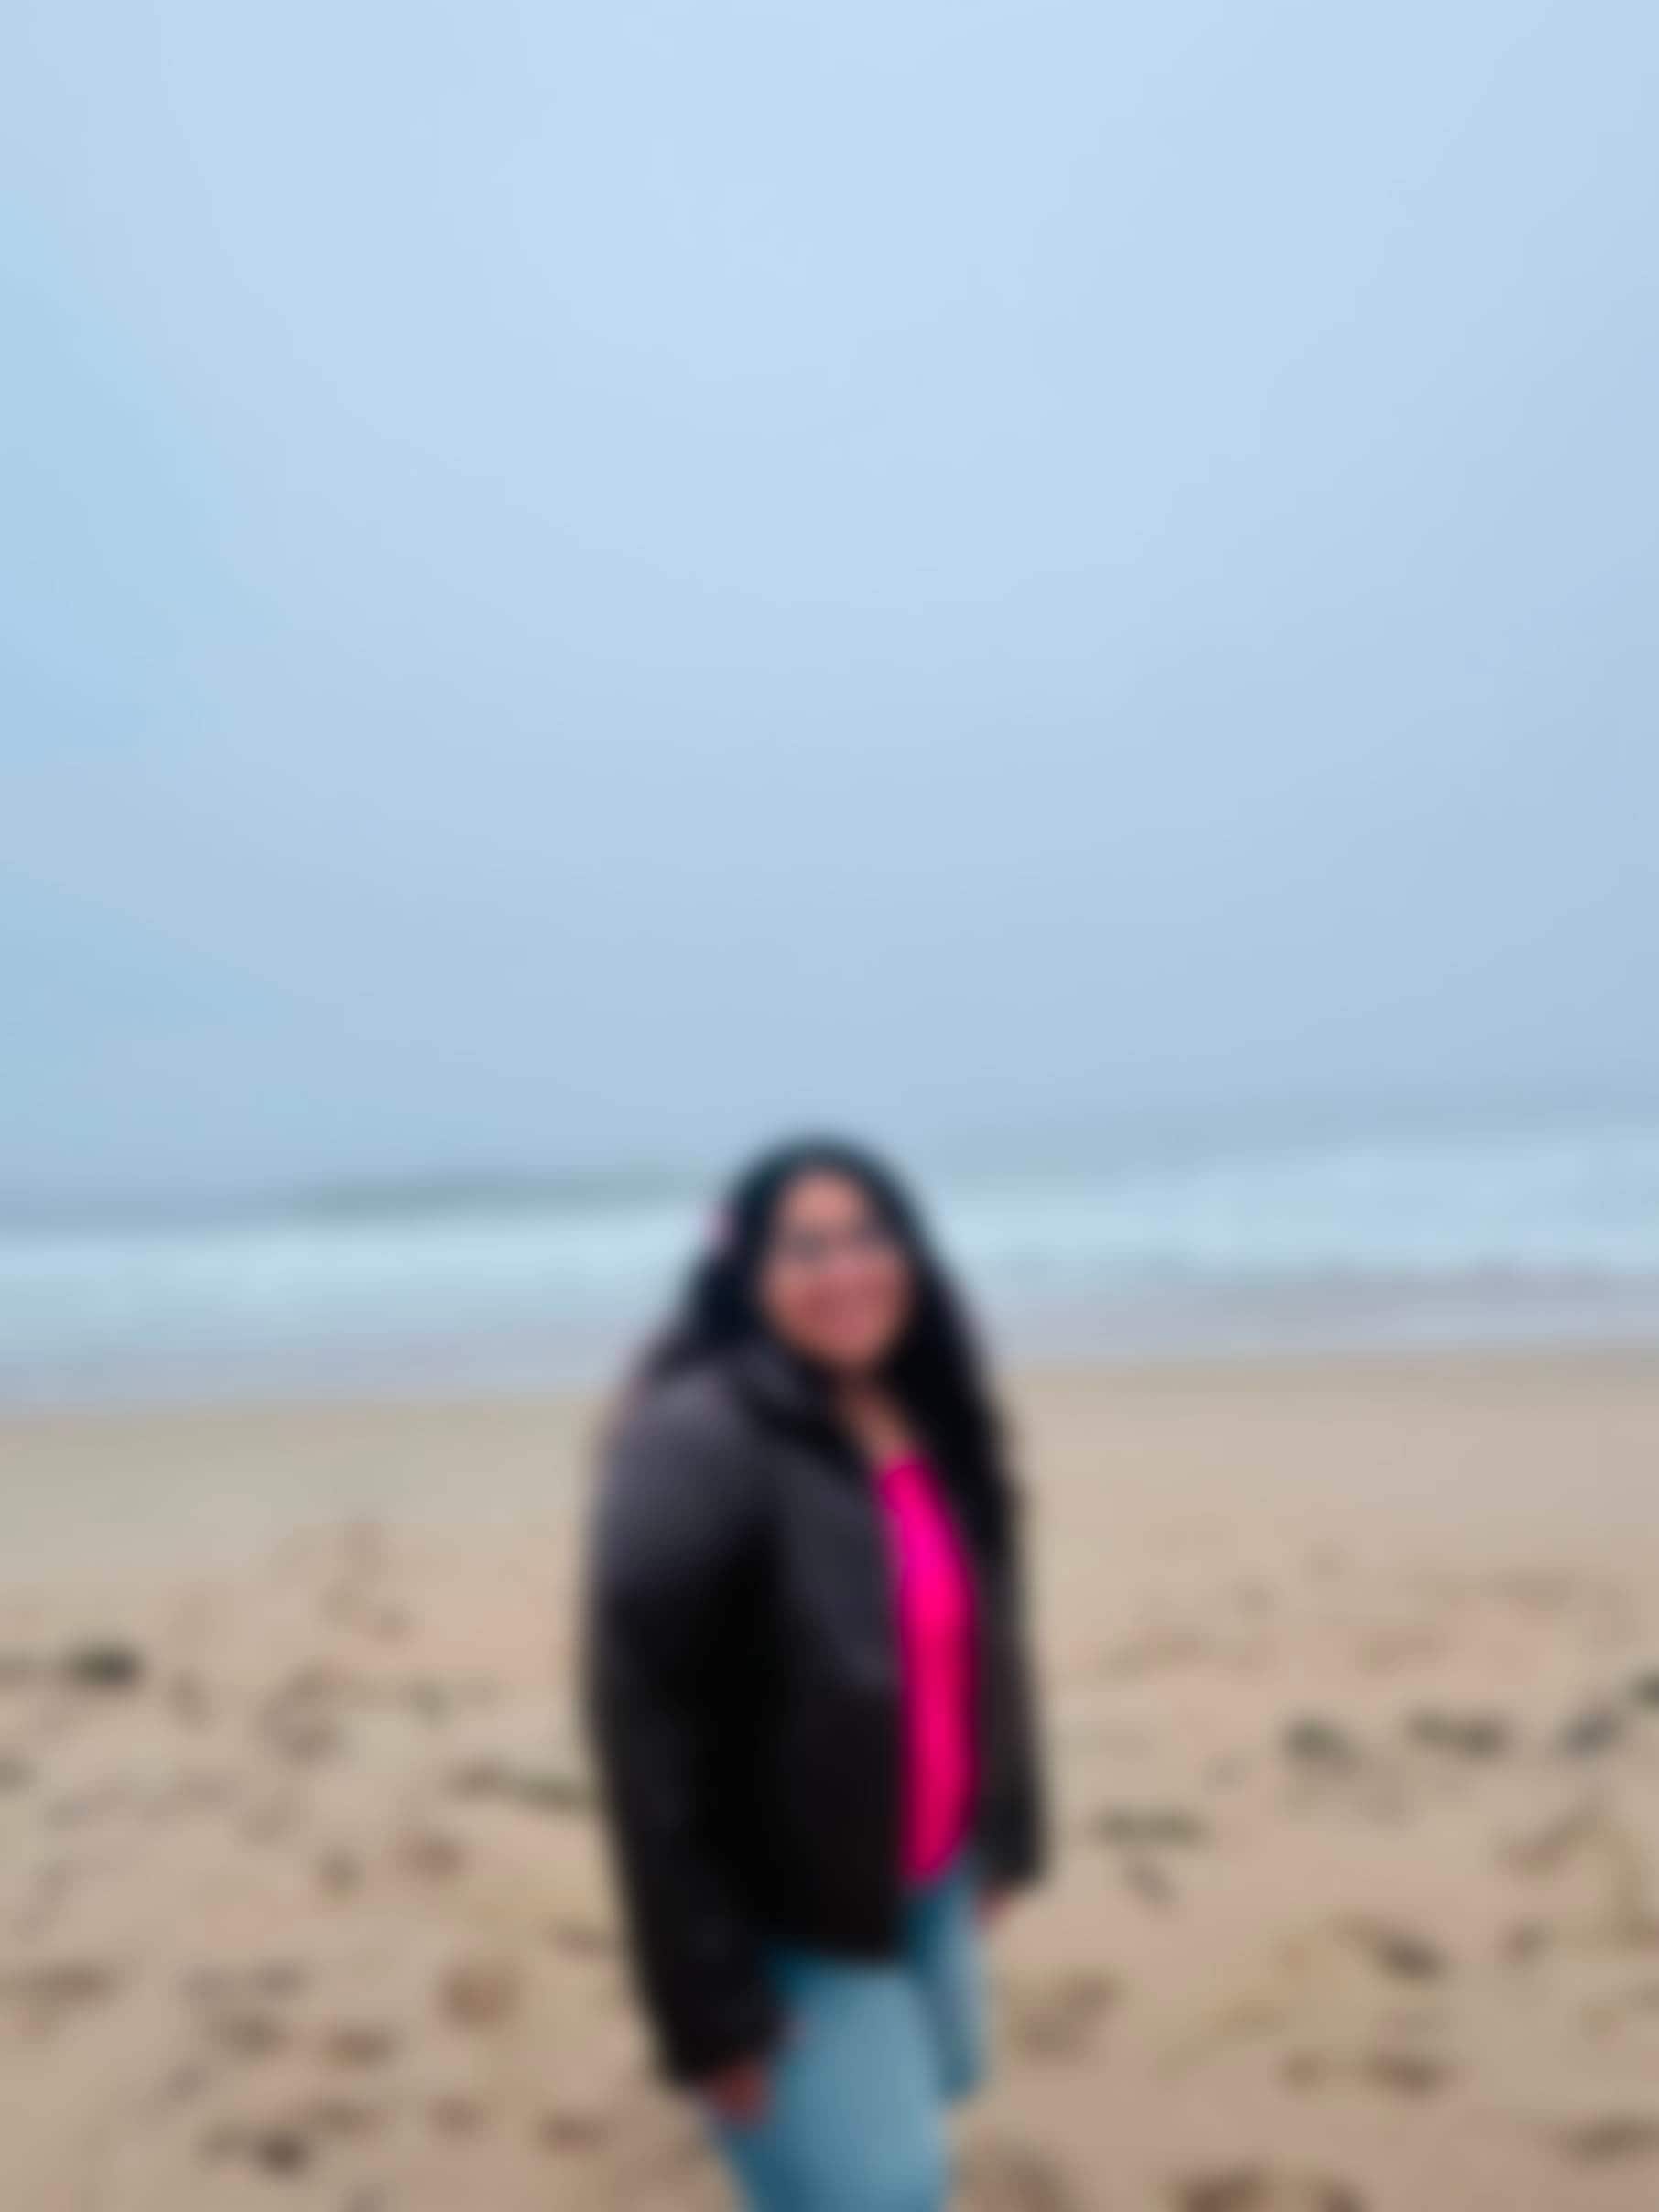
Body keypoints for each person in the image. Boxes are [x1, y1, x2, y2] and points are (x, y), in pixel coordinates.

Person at [584, 1136, 1046, 2210]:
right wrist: (708, 2014)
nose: (846, 1269)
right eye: (806, 1247)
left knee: (935, 2089)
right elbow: (646, 1744)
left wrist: (1004, 1827)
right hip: (792, 1918)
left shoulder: (921, 1403)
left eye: (868, 1236)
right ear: (748, 1271)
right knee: (889, 2192)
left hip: (929, 1876)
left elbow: (982, 1643)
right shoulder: (696, 1438)